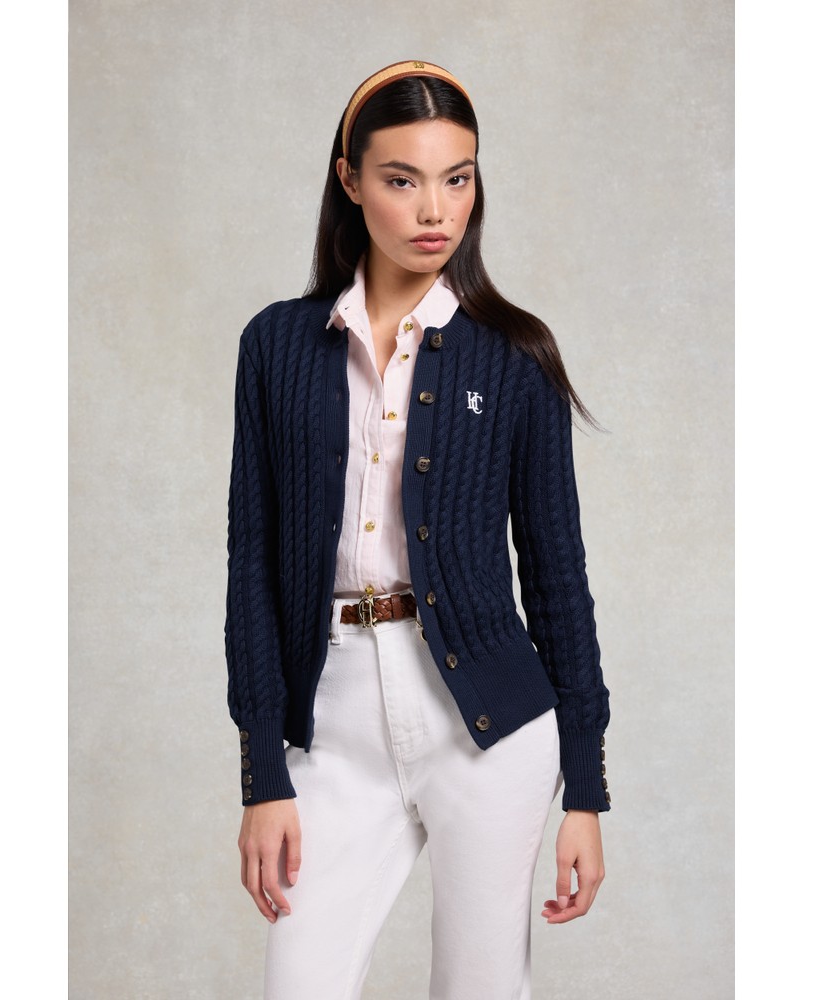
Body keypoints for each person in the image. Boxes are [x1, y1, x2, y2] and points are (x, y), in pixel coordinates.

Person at [225, 59, 611, 1000]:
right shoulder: (277, 345)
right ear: (351, 181)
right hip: (335, 715)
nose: (436, 210)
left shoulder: (515, 357)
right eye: (402, 179)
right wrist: (262, 773)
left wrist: (587, 788)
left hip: (489, 726)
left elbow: (556, 575)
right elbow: (253, 567)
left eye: (457, 178)